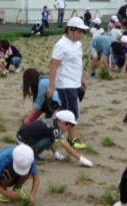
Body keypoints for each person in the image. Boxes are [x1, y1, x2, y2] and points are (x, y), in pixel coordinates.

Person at [46, 17, 88, 150]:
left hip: (75, 82)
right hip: (65, 84)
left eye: (82, 32)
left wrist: (82, 78)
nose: (81, 35)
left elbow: (78, 62)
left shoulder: (78, 44)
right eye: (79, 32)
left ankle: (51, 131)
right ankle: (71, 139)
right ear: (70, 29)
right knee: (71, 114)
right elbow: (53, 67)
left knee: (64, 110)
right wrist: (52, 86)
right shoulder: (61, 45)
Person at [16, 110, 93, 166]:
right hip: (23, 143)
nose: (66, 130)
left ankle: (33, 153)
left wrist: (56, 153)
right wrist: (81, 159)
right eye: (68, 127)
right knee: (50, 139)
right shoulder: (55, 129)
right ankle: (33, 155)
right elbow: (66, 146)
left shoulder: (52, 122)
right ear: (63, 123)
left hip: (20, 138)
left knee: (51, 137)